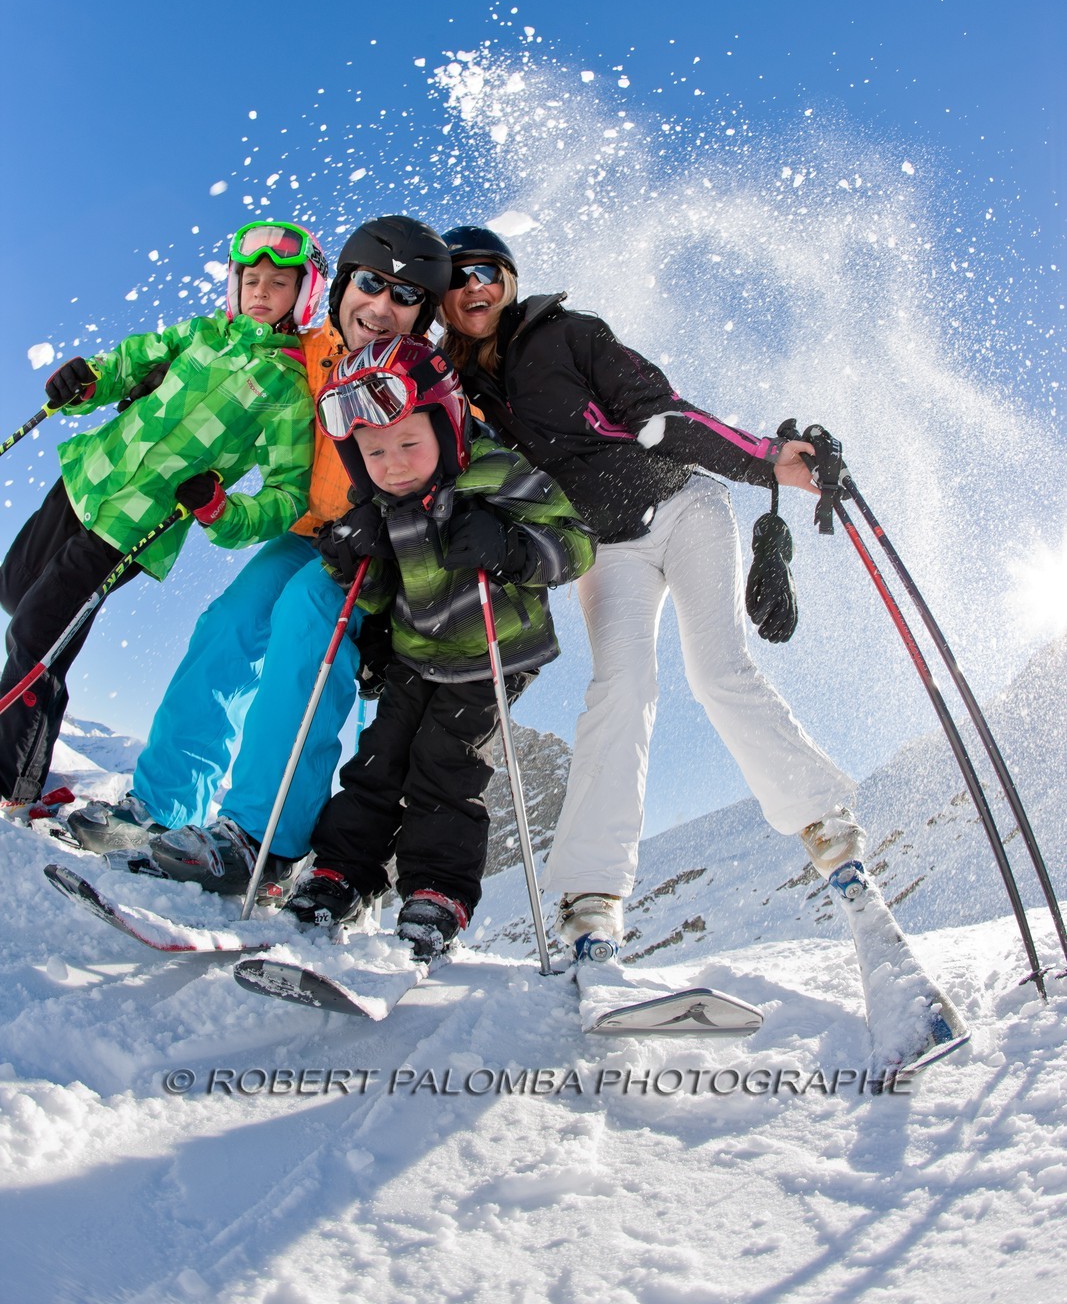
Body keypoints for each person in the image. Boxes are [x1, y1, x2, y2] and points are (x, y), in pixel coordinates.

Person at [437, 225, 864, 956]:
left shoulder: (568, 333)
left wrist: (767, 460)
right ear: (441, 298)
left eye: (489, 271)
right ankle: (591, 895)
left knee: (717, 669)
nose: (475, 286)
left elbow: (661, 412)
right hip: (604, 549)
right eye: (458, 275)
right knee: (621, 688)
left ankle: (824, 820)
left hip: (683, 507)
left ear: (508, 282)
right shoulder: (455, 387)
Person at [68, 216, 455, 899]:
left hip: (377, 544)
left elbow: (456, 452)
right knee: (228, 623)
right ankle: (163, 806)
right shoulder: (302, 349)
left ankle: (263, 838)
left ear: (422, 315)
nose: (381, 307)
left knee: (307, 620)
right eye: (370, 285)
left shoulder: (422, 373)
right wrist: (152, 383)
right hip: (308, 531)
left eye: (405, 297)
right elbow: (222, 357)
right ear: (341, 286)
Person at [280, 333, 595, 959]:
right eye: (373, 452)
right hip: (415, 651)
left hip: (491, 649)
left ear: (447, 428)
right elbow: (377, 596)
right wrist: (351, 560)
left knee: (445, 764)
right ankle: (341, 873)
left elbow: (577, 544)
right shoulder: (379, 506)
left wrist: (512, 549)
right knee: (378, 760)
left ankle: (436, 892)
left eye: (408, 443)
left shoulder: (497, 472)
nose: (393, 464)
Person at [0, 220, 320, 812]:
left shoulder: (286, 386)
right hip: (87, 477)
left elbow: (287, 495)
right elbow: (127, 363)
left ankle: (9, 784)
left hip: (132, 525)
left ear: (301, 296)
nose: (261, 291)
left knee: (36, 635)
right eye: (252, 279)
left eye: (279, 283)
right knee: (16, 594)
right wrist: (87, 381)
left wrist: (222, 511)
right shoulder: (201, 333)